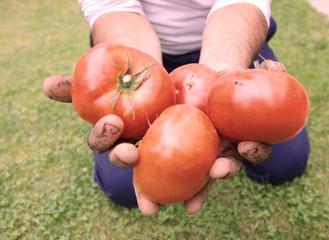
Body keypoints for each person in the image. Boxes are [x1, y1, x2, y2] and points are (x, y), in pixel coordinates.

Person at [45, 0, 310, 215]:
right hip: (134, 53)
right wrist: (147, 78)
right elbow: (113, 6)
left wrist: (223, 78)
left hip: (232, 43)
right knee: (125, 189)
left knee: (285, 165)